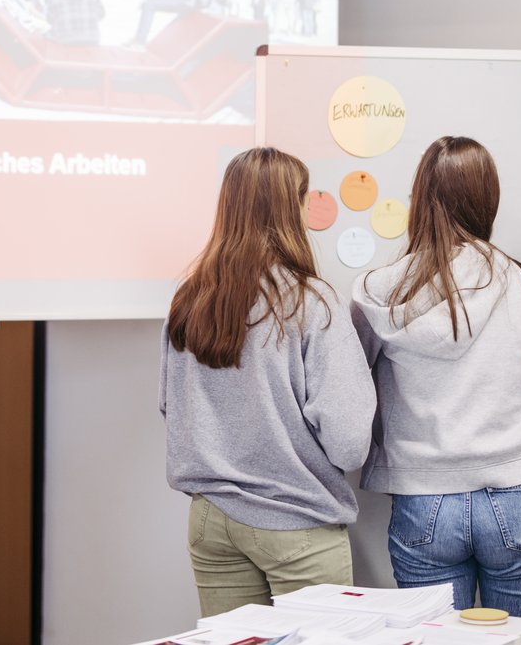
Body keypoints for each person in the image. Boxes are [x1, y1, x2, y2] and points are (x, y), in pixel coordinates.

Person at [161, 146, 375, 618]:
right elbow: (349, 444)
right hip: (297, 521)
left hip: (211, 519)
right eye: (302, 199)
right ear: (286, 210)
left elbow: (171, 406)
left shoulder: (188, 299)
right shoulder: (310, 301)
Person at [352, 136, 521, 617]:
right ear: (487, 198)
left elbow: (353, 381)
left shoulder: (376, 290)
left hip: (425, 497)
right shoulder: (520, 278)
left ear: (420, 196)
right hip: (519, 488)